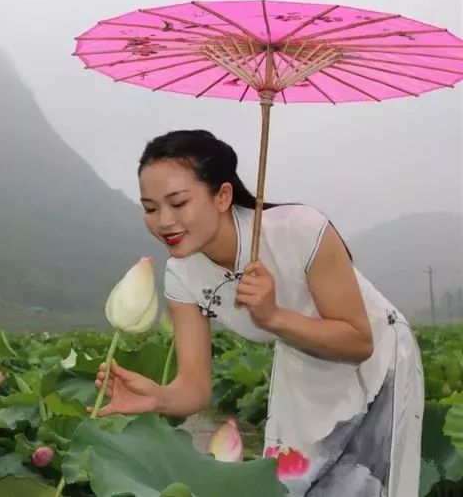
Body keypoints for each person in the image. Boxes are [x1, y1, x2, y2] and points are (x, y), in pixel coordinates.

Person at [90, 130, 424, 497]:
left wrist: (274, 316)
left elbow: (359, 342)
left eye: (178, 202)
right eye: (151, 208)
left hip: (377, 365)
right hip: (302, 364)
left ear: (222, 196)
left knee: (362, 485)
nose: (164, 221)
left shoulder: (302, 229)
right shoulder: (180, 275)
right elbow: (195, 388)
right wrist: (158, 397)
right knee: (289, 483)